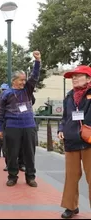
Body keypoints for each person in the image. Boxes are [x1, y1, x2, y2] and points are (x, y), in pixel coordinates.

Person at [0, 51, 41, 187]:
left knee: (29, 153)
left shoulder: (27, 90)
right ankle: (12, 176)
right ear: (14, 80)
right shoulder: (6, 94)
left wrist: (37, 61)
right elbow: (0, 112)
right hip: (12, 127)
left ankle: (30, 177)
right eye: (21, 79)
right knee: (11, 153)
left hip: (28, 126)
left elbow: (34, 76)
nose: (24, 81)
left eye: (24, 79)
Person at [58, 66, 91, 219]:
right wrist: (61, 128)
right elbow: (65, 117)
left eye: (79, 76)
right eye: (73, 77)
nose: (75, 79)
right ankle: (71, 206)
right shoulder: (69, 96)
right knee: (71, 176)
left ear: (89, 79)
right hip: (71, 141)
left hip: (88, 141)